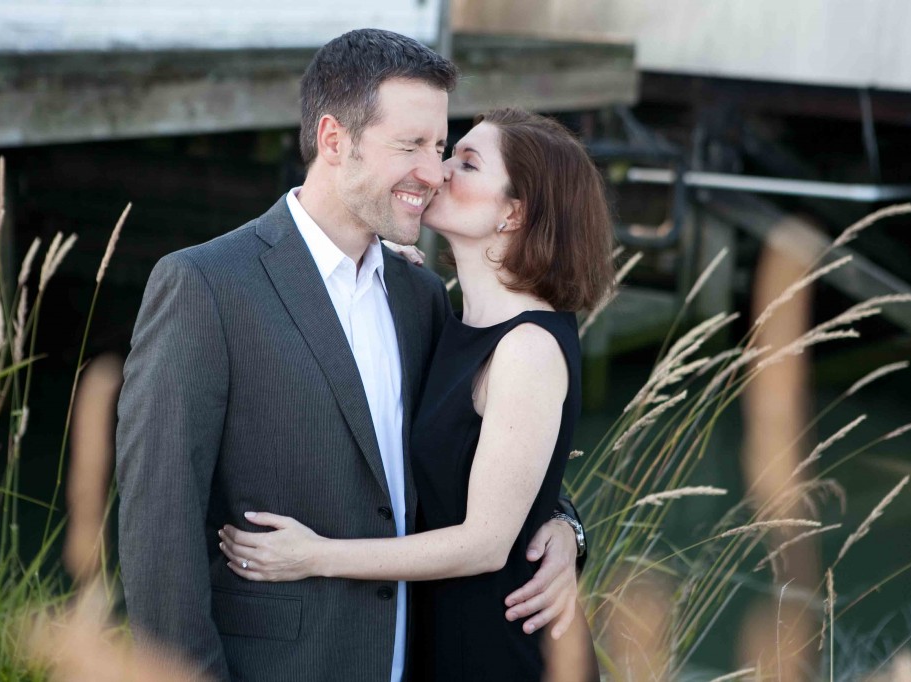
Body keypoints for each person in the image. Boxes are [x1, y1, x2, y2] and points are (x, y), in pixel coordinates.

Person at [115, 29, 585, 682]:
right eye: (410, 146)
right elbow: (156, 537)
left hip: (424, 660)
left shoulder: (419, 296)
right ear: (335, 141)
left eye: (441, 147)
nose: (433, 171)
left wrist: (564, 527)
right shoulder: (206, 287)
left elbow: (477, 456)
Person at [216, 108, 614, 681]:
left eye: (466, 163)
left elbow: (485, 544)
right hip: (439, 638)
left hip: (505, 651)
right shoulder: (442, 311)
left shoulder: (528, 346)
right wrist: (376, 267)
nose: (437, 171)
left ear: (513, 213)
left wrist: (316, 556)